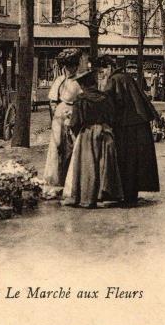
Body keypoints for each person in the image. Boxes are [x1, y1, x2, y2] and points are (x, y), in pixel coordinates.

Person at [96, 55, 160, 207]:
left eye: (102, 71)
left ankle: (124, 195)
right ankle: (132, 194)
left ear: (109, 67)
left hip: (125, 126)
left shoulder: (113, 80)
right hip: (139, 123)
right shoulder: (127, 77)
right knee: (136, 161)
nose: (101, 74)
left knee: (125, 160)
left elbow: (111, 104)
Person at [62, 70, 123, 208]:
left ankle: (87, 197)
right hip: (105, 132)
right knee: (104, 164)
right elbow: (112, 117)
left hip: (88, 134)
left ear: (83, 85)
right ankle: (104, 195)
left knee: (87, 166)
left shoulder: (81, 100)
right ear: (95, 83)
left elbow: (75, 122)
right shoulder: (105, 97)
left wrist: (75, 131)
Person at [42, 49, 83, 197]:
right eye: (68, 66)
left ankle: (70, 182)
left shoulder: (80, 81)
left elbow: (83, 99)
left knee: (72, 147)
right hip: (59, 116)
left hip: (74, 114)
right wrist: (55, 113)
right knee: (57, 146)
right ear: (64, 67)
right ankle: (56, 180)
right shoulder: (59, 81)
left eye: (73, 66)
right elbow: (53, 101)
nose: (71, 69)